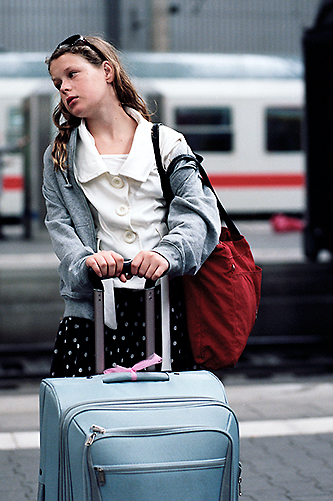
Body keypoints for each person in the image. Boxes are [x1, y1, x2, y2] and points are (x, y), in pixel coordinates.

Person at [42, 34, 221, 378]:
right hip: (91, 314)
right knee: (93, 417)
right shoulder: (59, 156)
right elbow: (60, 226)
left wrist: (168, 254)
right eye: (57, 82)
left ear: (107, 71)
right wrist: (86, 263)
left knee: (162, 420)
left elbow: (200, 215)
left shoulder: (166, 143)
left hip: (168, 309)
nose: (63, 87)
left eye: (72, 74)